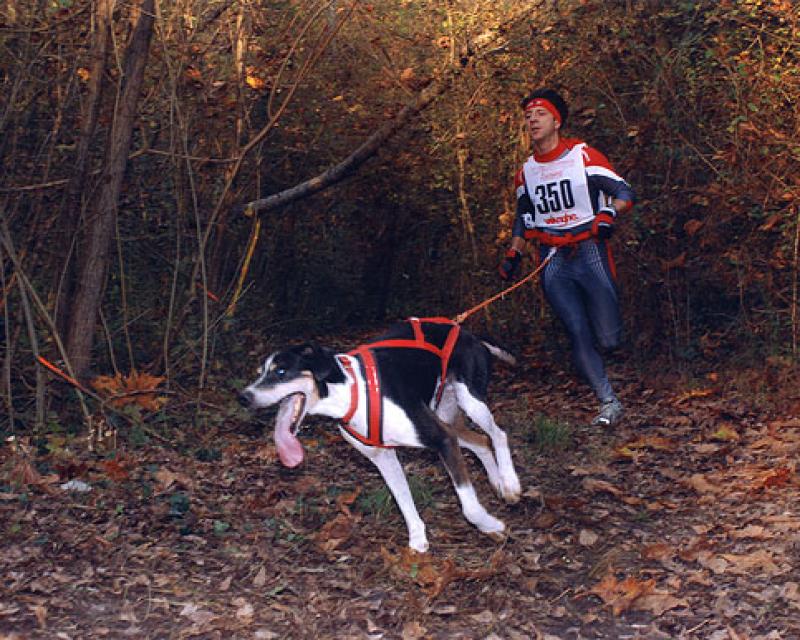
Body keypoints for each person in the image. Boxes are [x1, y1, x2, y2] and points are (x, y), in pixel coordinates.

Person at [498, 88, 635, 426]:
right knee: (576, 329)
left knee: (609, 337)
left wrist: (608, 214)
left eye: (540, 114)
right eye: (528, 116)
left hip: (590, 250)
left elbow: (624, 192)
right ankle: (608, 402)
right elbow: (523, 215)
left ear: (556, 121)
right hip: (552, 257)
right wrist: (514, 251)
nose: (532, 120)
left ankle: (611, 347)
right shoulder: (525, 172)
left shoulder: (582, 156)